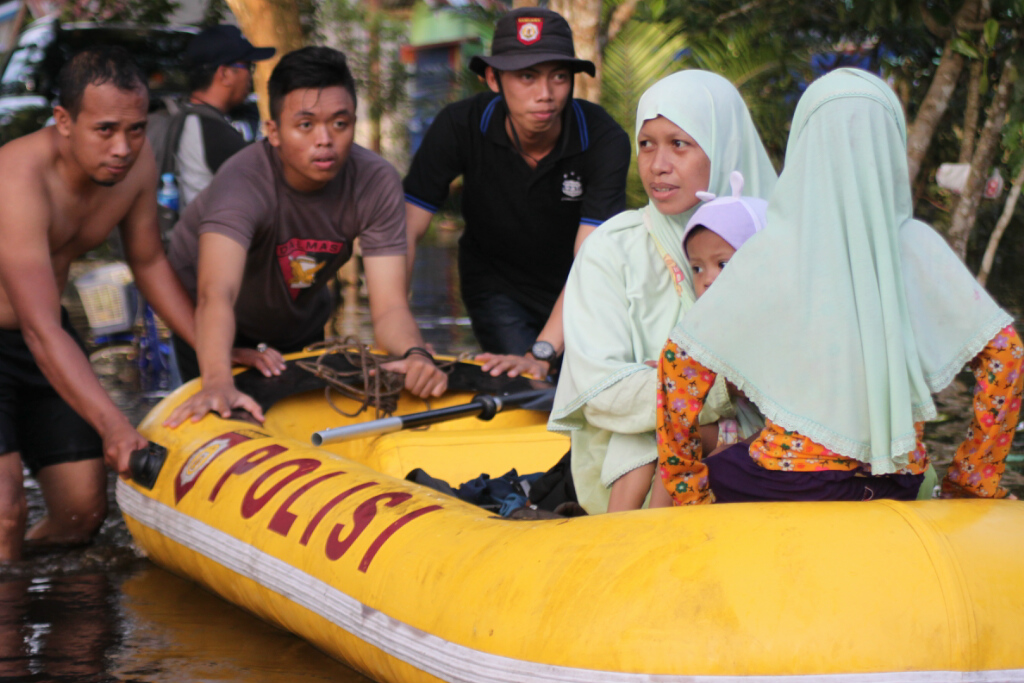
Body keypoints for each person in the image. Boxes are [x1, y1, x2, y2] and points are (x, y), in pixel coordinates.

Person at [656, 68, 1023, 506]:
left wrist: (689, 487)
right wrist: (970, 479)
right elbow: (1008, 358)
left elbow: (678, 364)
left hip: (791, 483)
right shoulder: (918, 245)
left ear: (805, 148)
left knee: (713, 472)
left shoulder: (773, 250)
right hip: (899, 479)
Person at [165, 46, 447, 428]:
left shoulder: (375, 180)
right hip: (207, 324)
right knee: (225, 423)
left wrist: (417, 355)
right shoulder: (242, 182)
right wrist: (218, 380)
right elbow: (215, 293)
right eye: (306, 125)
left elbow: (389, 307)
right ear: (273, 131)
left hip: (299, 323)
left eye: (340, 124)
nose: (325, 140)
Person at [0, 47, 201, 561]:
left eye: (136, 129)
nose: (124, 147)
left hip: (40, 337)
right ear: (63, 121)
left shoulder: (135, 167)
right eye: (106, 129)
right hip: (37, 329)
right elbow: (42, 327)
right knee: (5, 512)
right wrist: (114, 425)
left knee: (80, 515)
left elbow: (150, 263)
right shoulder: (16, 180)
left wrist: (217, 351)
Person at [548, 71, 777, 515]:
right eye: (647, 144)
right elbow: (603, 393)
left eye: (679, 144)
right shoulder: (613, 248)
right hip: (633, 471)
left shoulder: (775, 243)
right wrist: (720, 388)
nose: (658, 164)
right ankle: (625, 545)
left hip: (764, 450)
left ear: (723, 146)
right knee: (649, 433)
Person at [402, 7, 631, 378]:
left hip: (580, 283)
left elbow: (591, 261)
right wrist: (402, 332)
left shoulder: (604, 140)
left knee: (590, 387)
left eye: (559, 76)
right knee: (525, 387)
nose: (545, 94)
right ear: (493, 78)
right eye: (527, 76)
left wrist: (543, 351)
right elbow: (406, 230)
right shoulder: (459, 126)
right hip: (497, 286)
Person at [173, 25, 276, 206]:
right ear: (225, 73)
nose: (251, 78)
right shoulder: (213, 132)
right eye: (248, 67)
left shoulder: (187, 117)